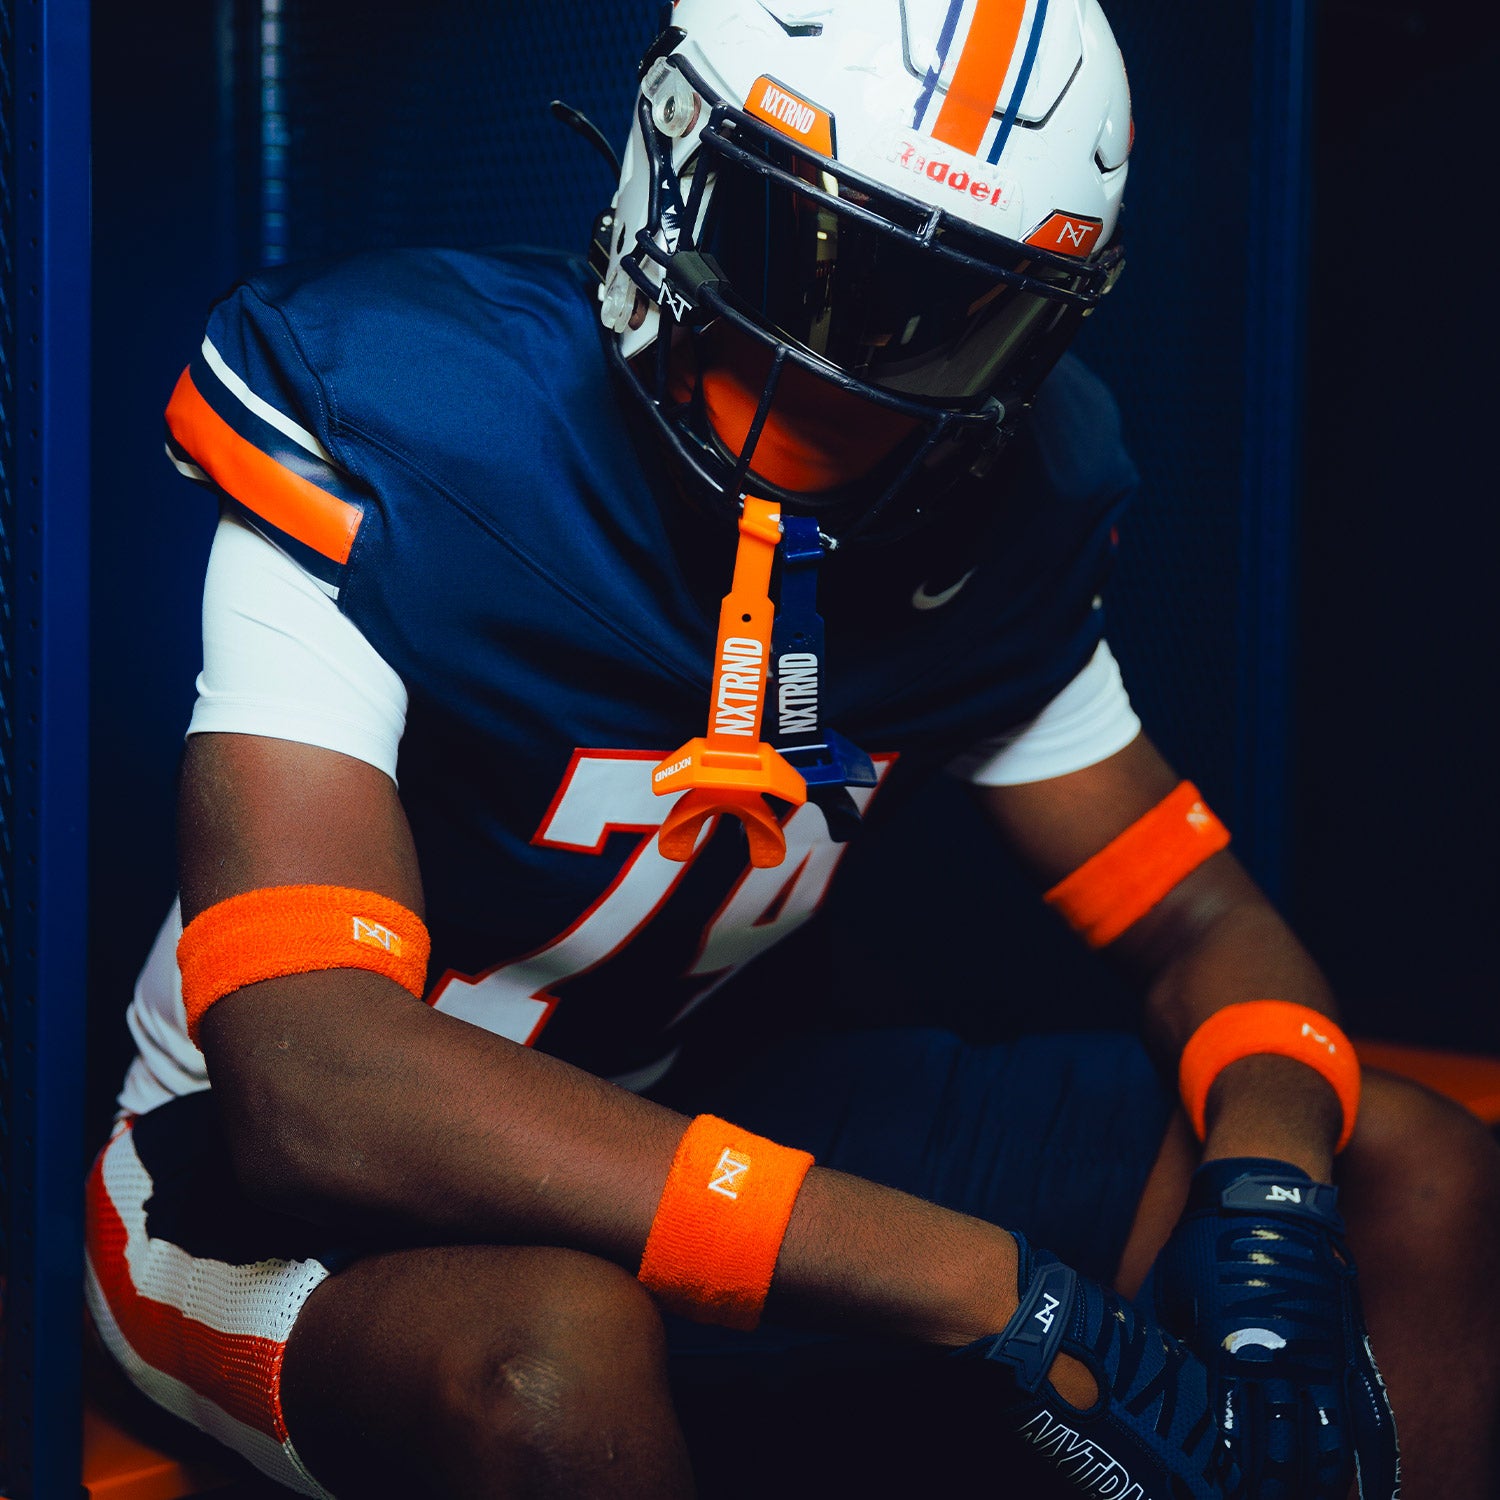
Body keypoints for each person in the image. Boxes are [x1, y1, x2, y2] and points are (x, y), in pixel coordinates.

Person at [84, 2, 1500, 1496]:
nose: (841, 358)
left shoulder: (998, 510)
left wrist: (1270, 1208)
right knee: (548, 1375)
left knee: (1408, 1175)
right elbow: (318, 1086)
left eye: (938, 307)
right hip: (262, 1167)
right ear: (672, 167)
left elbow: (1197, 916)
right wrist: (986, 1288)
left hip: (683, 1097)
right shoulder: (402, 419)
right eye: (793, 248)